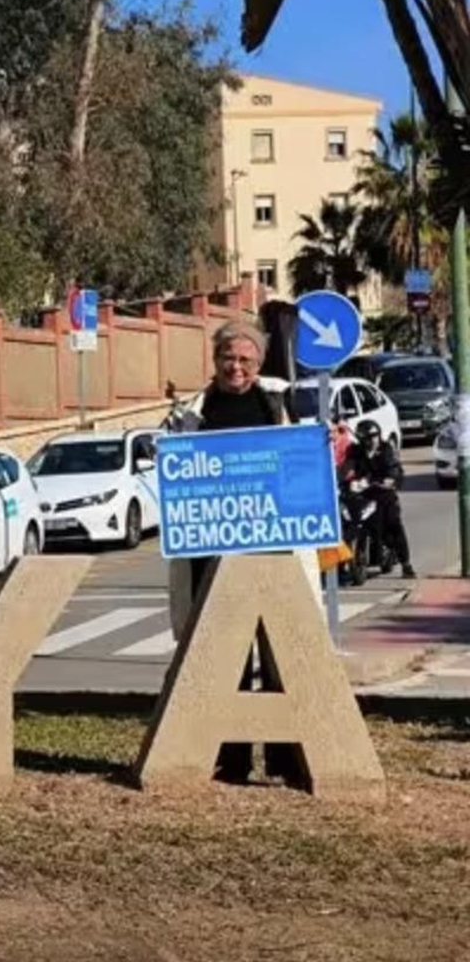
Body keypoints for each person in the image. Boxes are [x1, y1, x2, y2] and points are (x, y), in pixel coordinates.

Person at [172, 320, 303, 785]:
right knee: (224, 654)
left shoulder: (281, 402)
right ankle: (230, 759)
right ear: (215, 360)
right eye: (228, 357)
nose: (236, 367)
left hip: (274, 550)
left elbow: (305, 458)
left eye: (245, 359)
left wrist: (324, 446)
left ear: (259, 363)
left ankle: (288, 759)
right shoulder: (193, 412)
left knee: (280, 654)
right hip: (213, 555)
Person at [343, 419, 415, 579]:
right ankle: (344, 563)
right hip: (363, 494)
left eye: (375, 436)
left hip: (383, 493)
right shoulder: (355, 451)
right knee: (347, 519)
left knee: (393, 524)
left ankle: (406, 564)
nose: (373, 440)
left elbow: (394, 469)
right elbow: (347, 468)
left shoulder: (386, 449)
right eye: (368, 437)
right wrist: (347, 479)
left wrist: (390, 479)